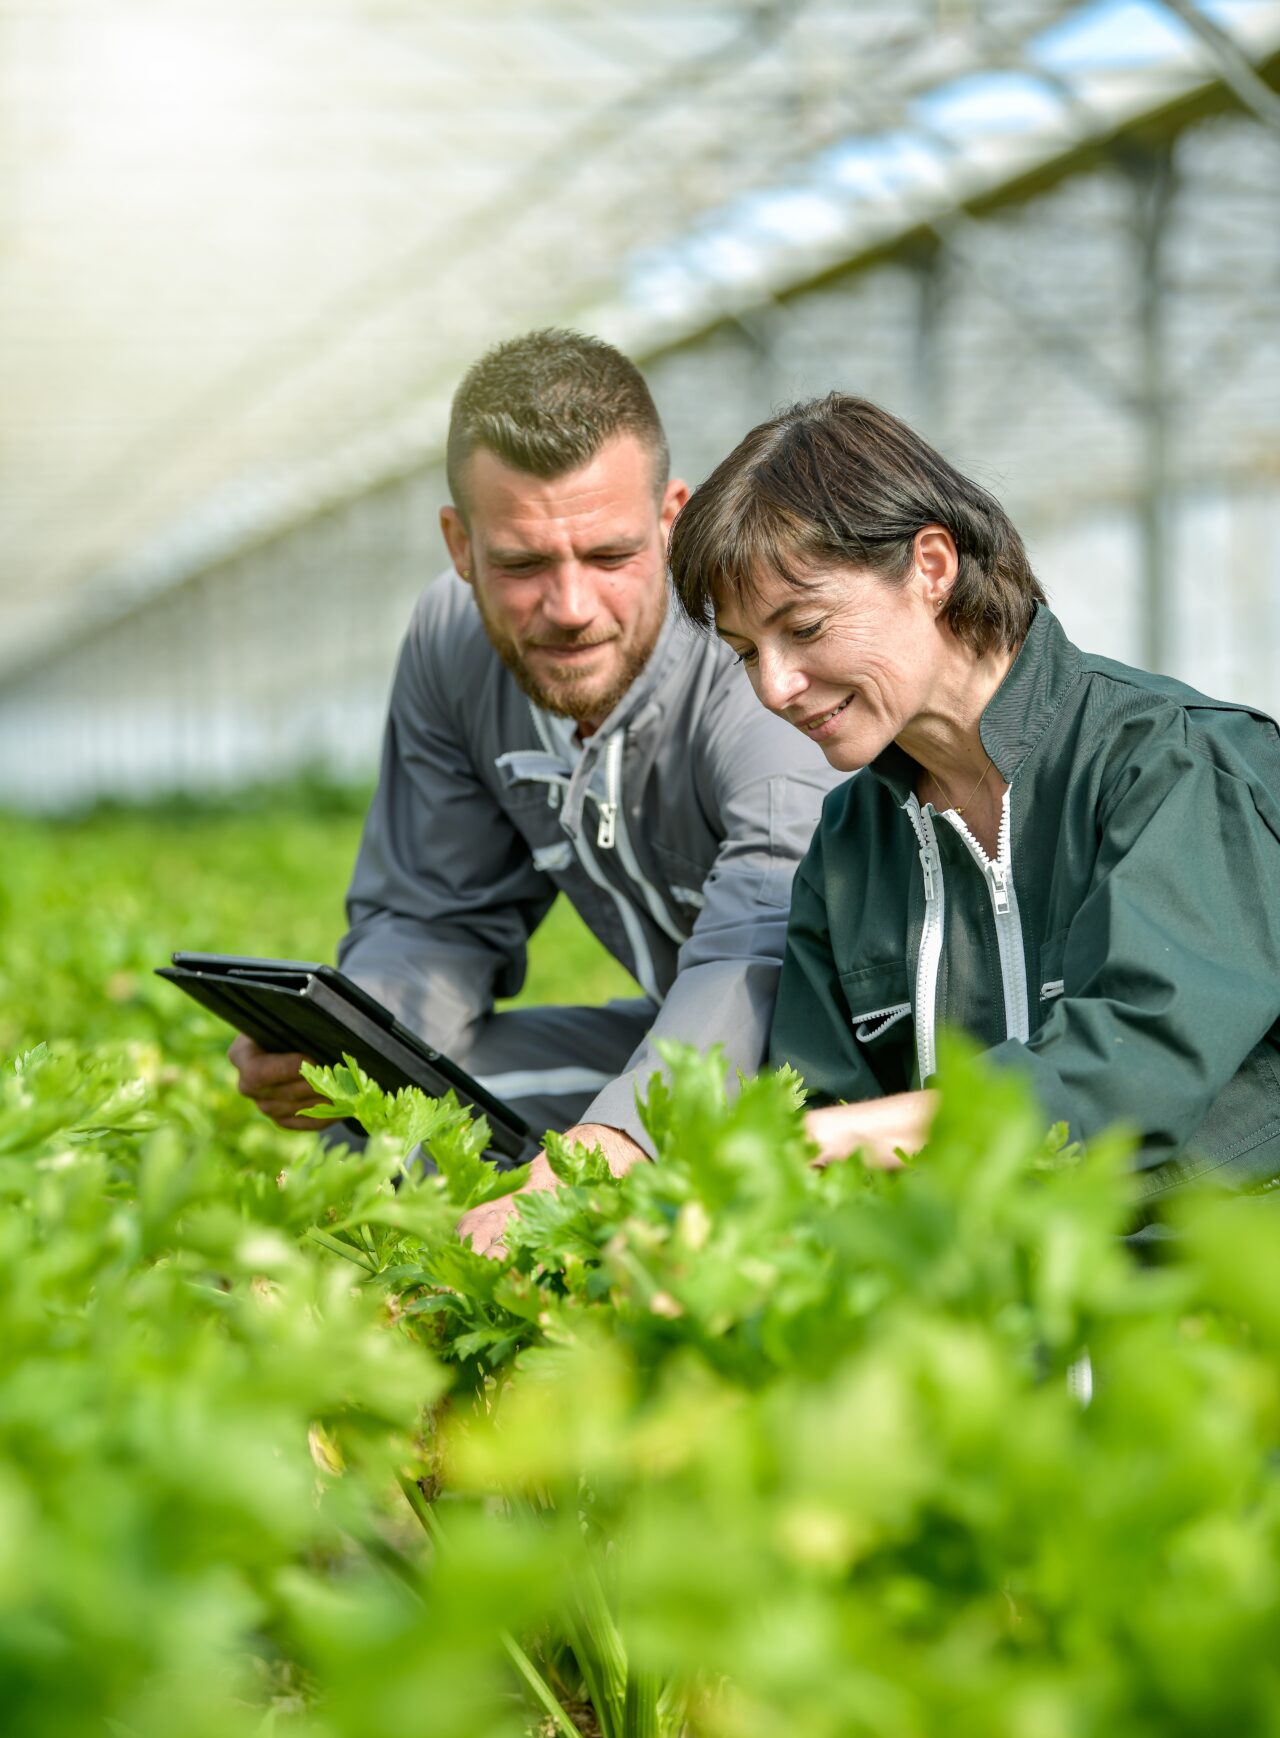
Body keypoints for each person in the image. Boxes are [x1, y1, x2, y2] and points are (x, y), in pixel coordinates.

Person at [231, 331, 841, 1248]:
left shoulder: (751, 652)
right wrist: (350, 1051)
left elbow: (761, 941)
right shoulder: (452, 648)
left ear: (672, 518)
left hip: (846, 1058)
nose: (569, 608)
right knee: (388, 1130)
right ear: (459, 544)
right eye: (522, 564)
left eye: (609, 556)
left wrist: (612, 1142)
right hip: (683, 1039)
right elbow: (437, 914)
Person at [665, 393, 1280, 1194]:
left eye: (806, 628)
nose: (776, 686)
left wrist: (852, 1136)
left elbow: (1135, 1063)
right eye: (747, 652)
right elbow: (819, 1100)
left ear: (931, 566)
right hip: (974, 1297)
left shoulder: (1176, 764)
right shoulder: (851, 843)